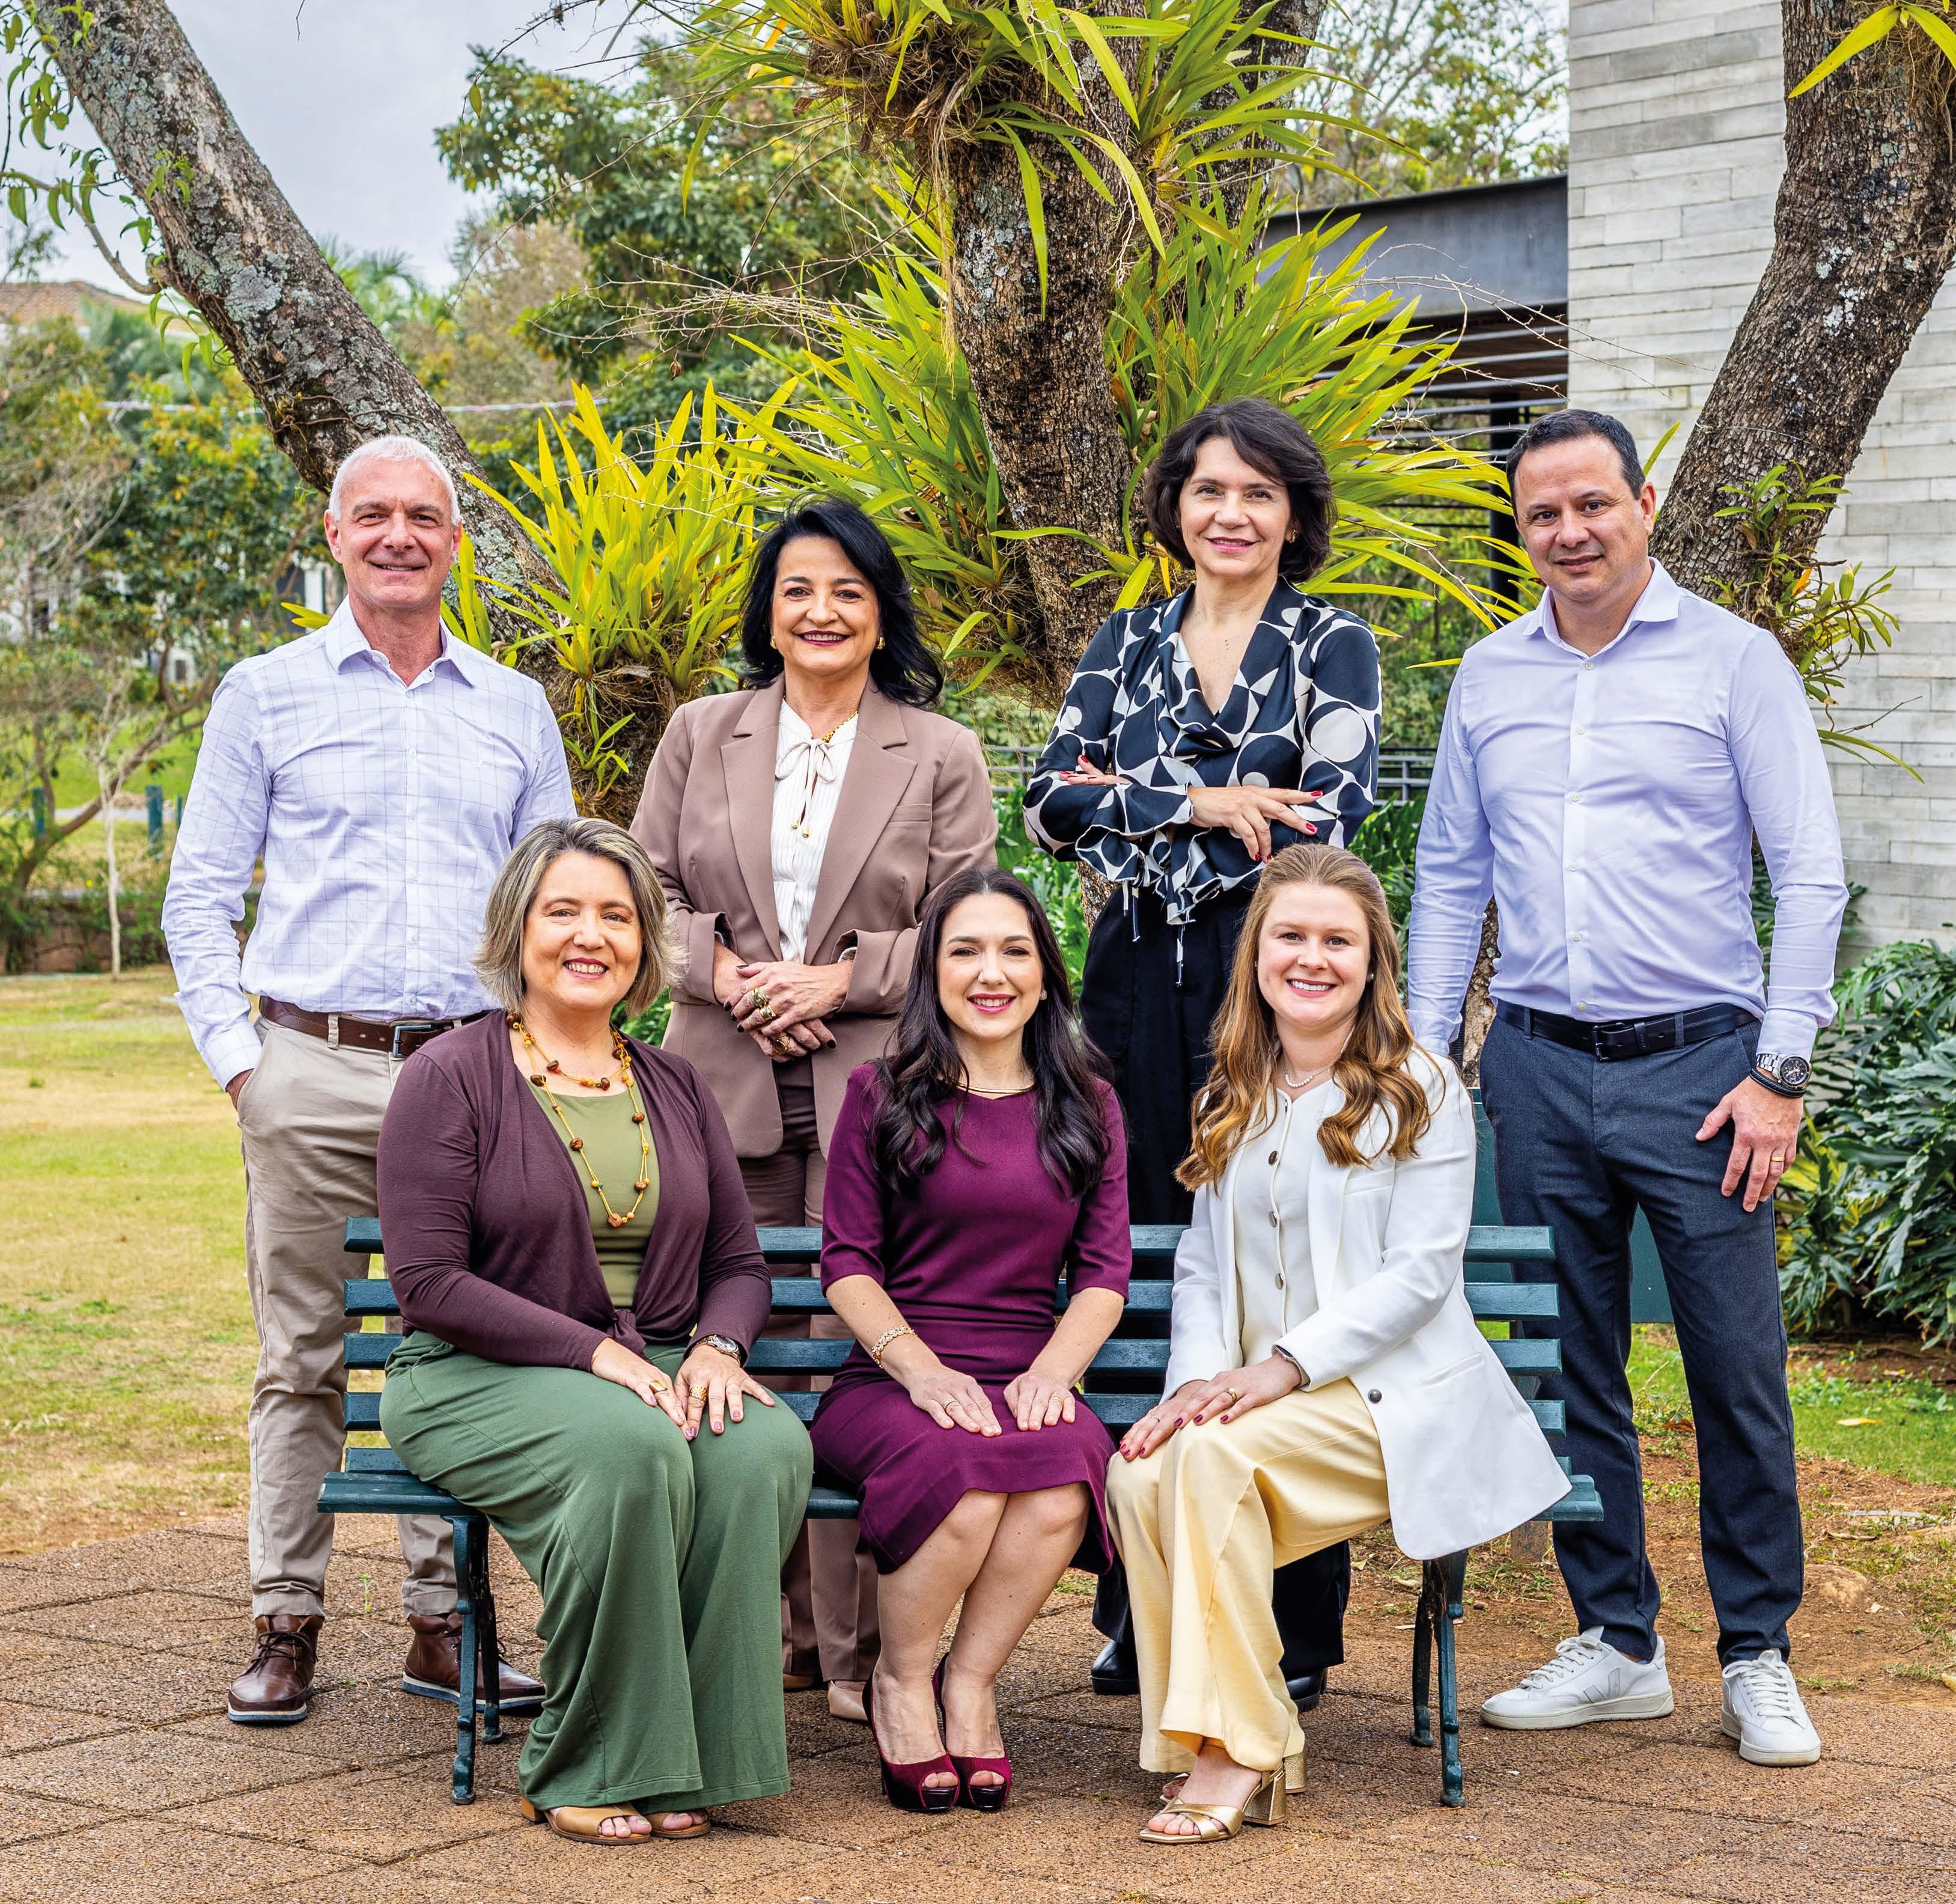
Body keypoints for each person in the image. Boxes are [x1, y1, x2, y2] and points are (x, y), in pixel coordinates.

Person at [1407, 409, 1847, 1768]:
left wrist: (1778, 1073)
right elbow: (1449, 875)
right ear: (1521, 529)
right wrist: (1426, 1058)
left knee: (1734, 1370)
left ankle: (1757, 1651)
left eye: (1591, 503)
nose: (1569, 532)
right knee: (1568, 1362)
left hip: (1705, 1074)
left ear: (1642, 503)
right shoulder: (1488, 675)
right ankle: (1618, 1641)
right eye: (1541, 513)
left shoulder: (1734, 661)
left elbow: (1810, 872)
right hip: (1537, 1064)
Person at [162, 435, 571, 1726]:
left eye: (425, 517)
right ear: (334, 535)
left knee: (460, 1347)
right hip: (308, 1068)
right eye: (374, 515)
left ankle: (445, 1625)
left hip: (470, 1077)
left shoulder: (512, 707)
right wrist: (245, 1067)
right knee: (303, 1359)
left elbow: (556, 903)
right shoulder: (264, 694)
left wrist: (534, 1062)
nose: (400, 536)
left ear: (455, 543)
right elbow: (197, 894)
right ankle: (284, 1620)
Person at [1024, 398, 1380, 1710]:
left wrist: (1138, 812)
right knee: (1137, 1263)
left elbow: (1328, 813)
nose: (1229, 513)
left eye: (1257, 493)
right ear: (1175, 507)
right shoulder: (1125, 641)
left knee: (1277, 1269)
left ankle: (1294, 1624)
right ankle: (1140, 1604)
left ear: (1293, 515)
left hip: (1269, 976)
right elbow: (1047, 802)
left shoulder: (1330, 642)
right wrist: (1205, 801)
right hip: (1131, 987)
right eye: (1207, 490)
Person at [1108, 844, 1568, 1844]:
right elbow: (1201, 1266)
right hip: (1262, 1408)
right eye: (1291, 936)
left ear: (1372, 963)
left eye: (1337, 941)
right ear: (1256, 955)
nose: (1311, 959)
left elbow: (1421, 1276)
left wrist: (1279, 1369)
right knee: (1141, 1473)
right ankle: (1215, 1734)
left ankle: (1240, 1748)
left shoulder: (1420, 1089)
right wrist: (1193, 1385)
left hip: (1391, 1405)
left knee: (1210, 1463)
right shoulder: (1233, 1089)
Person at [376, 818, 813, 1844]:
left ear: (644, 943)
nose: (591, 936)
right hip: (471, 1370)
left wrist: (717, 1347)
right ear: (517, 929)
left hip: (647, 1367)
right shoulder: (450, 1074)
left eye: (617, 916)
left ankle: (691, 1757)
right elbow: (428, 1282)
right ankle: (588, 1756)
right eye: (563, 911)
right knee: (630, 1449)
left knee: (761, 1447)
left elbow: (738, 1264)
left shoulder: (675, 1083)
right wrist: (596, 1351)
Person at [634, 498, 996, 1723]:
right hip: (717, 1081)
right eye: (797, 588)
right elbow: (644, 894)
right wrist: (735, 978)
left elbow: (967, 926)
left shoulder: (938, 751)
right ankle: (760, 1630)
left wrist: (838, 984)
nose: (822, 610)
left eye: (848, 589)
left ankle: (856, 1651)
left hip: (879, 1089)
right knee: (735, 1341)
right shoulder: (701, 733)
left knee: (857, 1350)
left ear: (882, 611)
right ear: (768, 612)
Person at [812, 868, 1130, 1812]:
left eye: (1013, 951)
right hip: (894, 1381)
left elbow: (1103, 1273)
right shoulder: (882, 1094)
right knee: (965, 1471)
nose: (991, 973)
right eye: (966, 952)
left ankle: (971, 1683)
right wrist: (919, 1372)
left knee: (1066, 1469)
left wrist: (1053, 1373)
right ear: (932, 972)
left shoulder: (1087, 1104)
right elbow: (848, 1263)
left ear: (1045, 974)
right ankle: (901, 1682)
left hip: (1025, 1369)